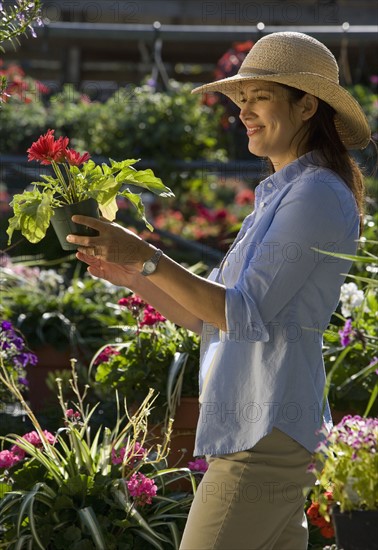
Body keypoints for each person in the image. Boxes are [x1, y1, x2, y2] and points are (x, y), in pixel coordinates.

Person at [67, 32, 371, 550]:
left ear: (307, 105)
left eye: (261, 97)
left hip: (264, 434)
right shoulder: (287, 192)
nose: (245, 112)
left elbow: (240, 314)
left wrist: (145, 256)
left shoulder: (315, 193)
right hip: (266, 429)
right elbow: (210, 319)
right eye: (242, 99)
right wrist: (136, 275)